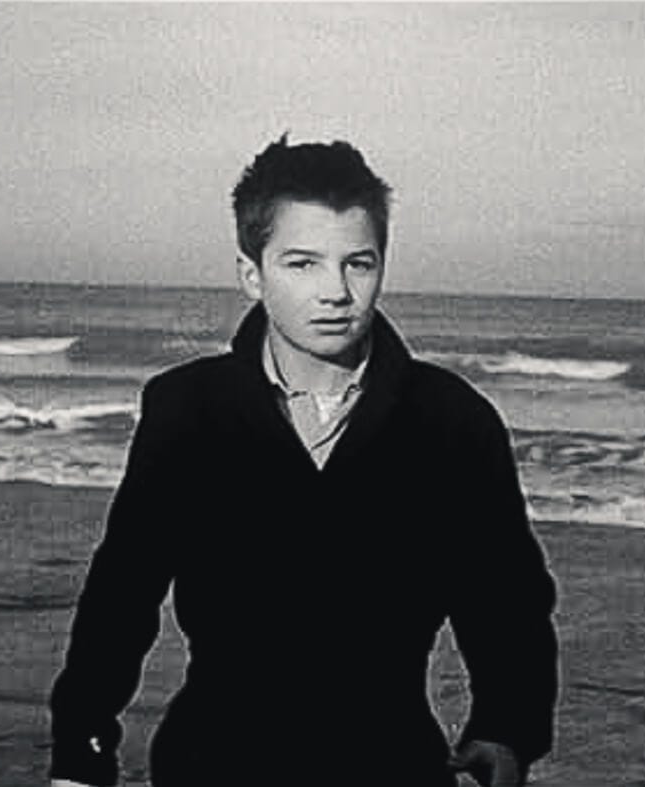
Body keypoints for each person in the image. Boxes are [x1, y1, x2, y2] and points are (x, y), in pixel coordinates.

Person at [47, 136, 559, 787]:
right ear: (252, 273)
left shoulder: (451, 419)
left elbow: (506, 598)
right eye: (303, 263)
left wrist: (506, 726)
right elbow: (122, 592)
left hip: (393, 766)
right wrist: (80, 750)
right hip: (210, 766)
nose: (337, 291)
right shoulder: (188, 409)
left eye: (359, 264)